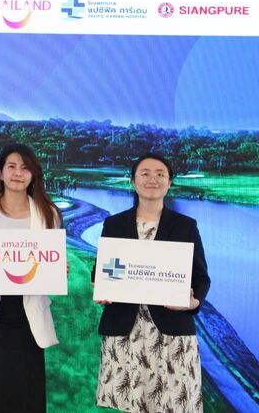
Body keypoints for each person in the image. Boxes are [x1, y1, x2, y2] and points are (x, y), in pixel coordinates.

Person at [94, 152, 210, 412]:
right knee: (130, 401)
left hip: (171, 334)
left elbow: (201, 278)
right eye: (144, 173)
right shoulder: (114, 224)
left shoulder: (185, 226)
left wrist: (193, 302)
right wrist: (101, 286)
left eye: (160, 174)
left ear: (169, 182)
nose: (152, 179)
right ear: (133, 181)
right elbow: (100, 270)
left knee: (173, 403)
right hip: (125, 331)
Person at [0, 143, 63, 413]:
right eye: (12, 166)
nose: (18, 173)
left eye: (25, 167)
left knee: (29, 395)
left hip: (30, 317)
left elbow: (51, 259)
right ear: (0, 173)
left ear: (33, 175)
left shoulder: (49, 213)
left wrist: (57, 269)